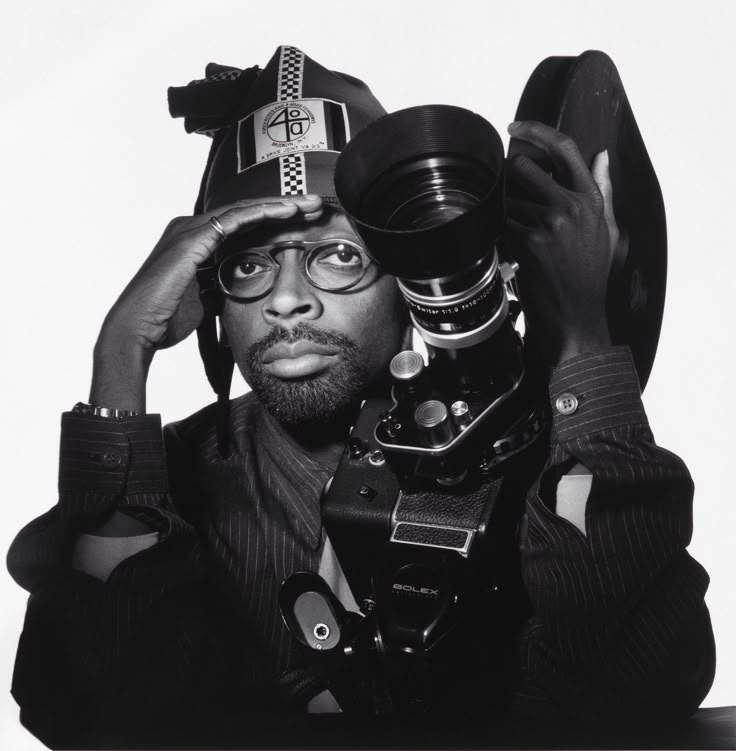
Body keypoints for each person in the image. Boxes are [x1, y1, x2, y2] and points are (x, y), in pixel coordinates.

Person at [7, 45, 715, 748]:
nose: (286, 299)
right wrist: (119, 357)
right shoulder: (169, 482)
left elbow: (633, 699)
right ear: (209, 297)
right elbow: (97, 718)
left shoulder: (534, 452)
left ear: (407, 271)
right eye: (248, 262)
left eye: (338, 254)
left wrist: (583, 340)